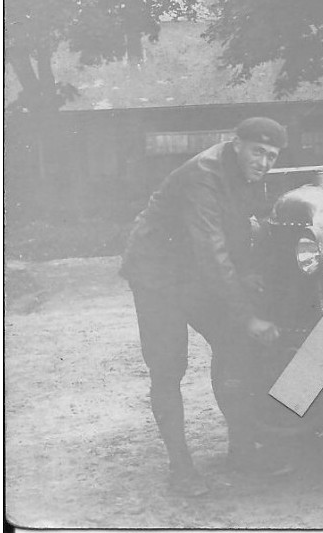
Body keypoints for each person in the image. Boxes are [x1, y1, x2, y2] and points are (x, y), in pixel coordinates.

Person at [120, 117, 288, 497]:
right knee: (168, 367)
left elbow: (241, 229)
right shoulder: (204, 173)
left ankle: (242, 452)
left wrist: (246, 276)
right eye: (257, 151)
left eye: (272, 156)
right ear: (236, 143)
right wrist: (247, 315)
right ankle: (180, 468)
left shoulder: (247, 174)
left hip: (192, 271)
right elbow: (212, 252)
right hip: (156, 273)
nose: (263, 162)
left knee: (236, 347)